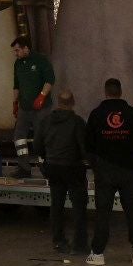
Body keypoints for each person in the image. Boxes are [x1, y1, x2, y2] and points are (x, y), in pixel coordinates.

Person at [84, 77, 133, 266]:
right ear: (120, 92)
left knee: (102, 213)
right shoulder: (132, 114)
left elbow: (88, 146)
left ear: (105, 92)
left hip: (104, 172)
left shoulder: (96, 115)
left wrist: (97, 166)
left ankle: (97, 254)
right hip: (129, 171)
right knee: (132, 213)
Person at [35, 89, 88, 254]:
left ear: (58, 102)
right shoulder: (77, 122)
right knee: (79, 206)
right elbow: (84, 148)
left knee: (56, 206)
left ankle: (59, 241)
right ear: (73, 102)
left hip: (52, 167)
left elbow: (37, 146)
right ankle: (79, 245)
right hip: (73, 168)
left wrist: (47, 158)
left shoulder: (46, 121)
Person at [11, 37, 55, 178]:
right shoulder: (17, 64)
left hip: (41, 108)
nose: (16, 53)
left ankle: (46, 167)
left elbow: (50, 79)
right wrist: (15, 103)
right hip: (25, 107)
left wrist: (42, 96)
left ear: (26, 48)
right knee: (19, 137)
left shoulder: (41, 60)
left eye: (17, 50)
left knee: (41, 137)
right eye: (14, 51)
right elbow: (16, 86)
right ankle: (24, 168)